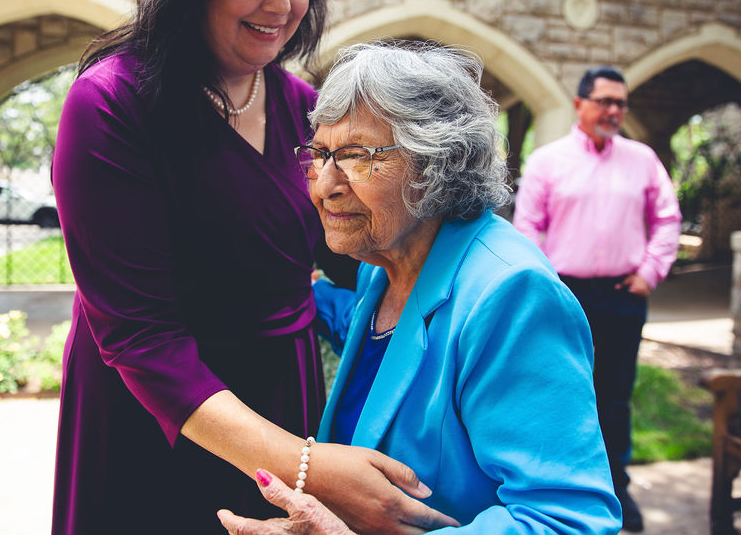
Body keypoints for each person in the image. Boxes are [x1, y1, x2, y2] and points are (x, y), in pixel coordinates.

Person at [50, 0, 454, 535]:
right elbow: (142, 338)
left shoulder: (305, 108)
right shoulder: (111, 104)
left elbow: (369, 248)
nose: (282, 5)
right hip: (159, 412)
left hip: (282, 390)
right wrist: (305, 467)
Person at [218, 41, 622, 534]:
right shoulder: (385, 263)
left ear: (437, 164)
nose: (325, 185)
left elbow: (569, 520)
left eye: (356, 157)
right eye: (320, 154)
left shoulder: (512, 295)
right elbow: (396, 349)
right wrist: (309, 290)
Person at [512, 65, 682, 532]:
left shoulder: (643, 159)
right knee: (559, 391)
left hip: (623, 295)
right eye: (604, 101)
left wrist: (650, 271)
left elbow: (667, 219)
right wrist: (547, 285)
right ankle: (558, 488)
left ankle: (617, 490)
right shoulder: (547, 161)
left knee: (615, 395)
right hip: (564, 295)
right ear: (579, 105)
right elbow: (528, 229)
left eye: (620, 103)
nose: (613, 110)